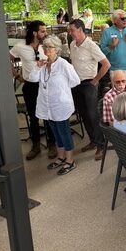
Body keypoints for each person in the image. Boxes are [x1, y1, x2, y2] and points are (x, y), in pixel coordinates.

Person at [29, 35, 80, 176]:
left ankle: (70, 160)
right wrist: (37, 67)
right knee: (55, 133)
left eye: (49, 47)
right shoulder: (43, 64)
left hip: (60, 105)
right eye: (44, 46)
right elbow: (32, 79)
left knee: (64, 133)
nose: (46, 49)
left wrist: (62, 90)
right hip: (47, 106)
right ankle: (61, 157)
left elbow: (75, 81)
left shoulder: (63, 64)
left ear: (57, 49)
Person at [10, 20, 57, 161]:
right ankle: (35, 145)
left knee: (48, 114)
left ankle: (52, 144)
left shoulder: (46, 45)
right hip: (30, 86)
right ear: (35, 33)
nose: (45, 33)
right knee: (33, 116)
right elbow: (7, 59)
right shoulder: (20, 46)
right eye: (43, 31)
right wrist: (17, 76)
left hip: (45, 84)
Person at [69, 18, 110, 161]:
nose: (70, 33)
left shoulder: (91, 46)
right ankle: (93, 141)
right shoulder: (72, 44)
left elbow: (106, 64)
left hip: (89, 84)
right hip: (76, 84)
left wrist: (96, 80)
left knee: (93, 115)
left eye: (72, 30)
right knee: (83, 114)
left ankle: (101, 145)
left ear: (80, 30)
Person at [100, 10, 126, 81]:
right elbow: (102, 52)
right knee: (117, 88)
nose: (125, 20)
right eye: (122, 19)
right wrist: (112, 46)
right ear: (115, 20)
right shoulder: (107, 32)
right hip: (115, 69)